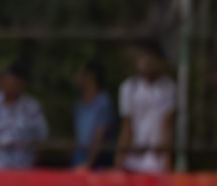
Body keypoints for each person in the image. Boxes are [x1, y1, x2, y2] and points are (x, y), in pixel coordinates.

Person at [116, 42, 177, 173]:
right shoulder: (129, 88)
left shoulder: (168, 88)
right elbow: (127, 127)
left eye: (149, 57)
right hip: (132, 161)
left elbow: (167, 128)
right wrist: (118, 165)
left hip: (157, 164)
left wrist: (168, 165)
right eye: (142, 57)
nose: (146, 62)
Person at [0, 63, 48, 170]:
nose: (11, 87)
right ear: (0, 82)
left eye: (15, 83)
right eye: (7, 82)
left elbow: (41, 138)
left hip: (23, 168)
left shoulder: (33, 108)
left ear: (23, 84)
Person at [71, 60, 115, 171]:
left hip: (96, 163)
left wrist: (88, 164)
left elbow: (100, 136)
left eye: (80, 73)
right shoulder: (78, 106)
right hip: (78, 159)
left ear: (90, 76)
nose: (76, 76)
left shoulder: (103, 102)